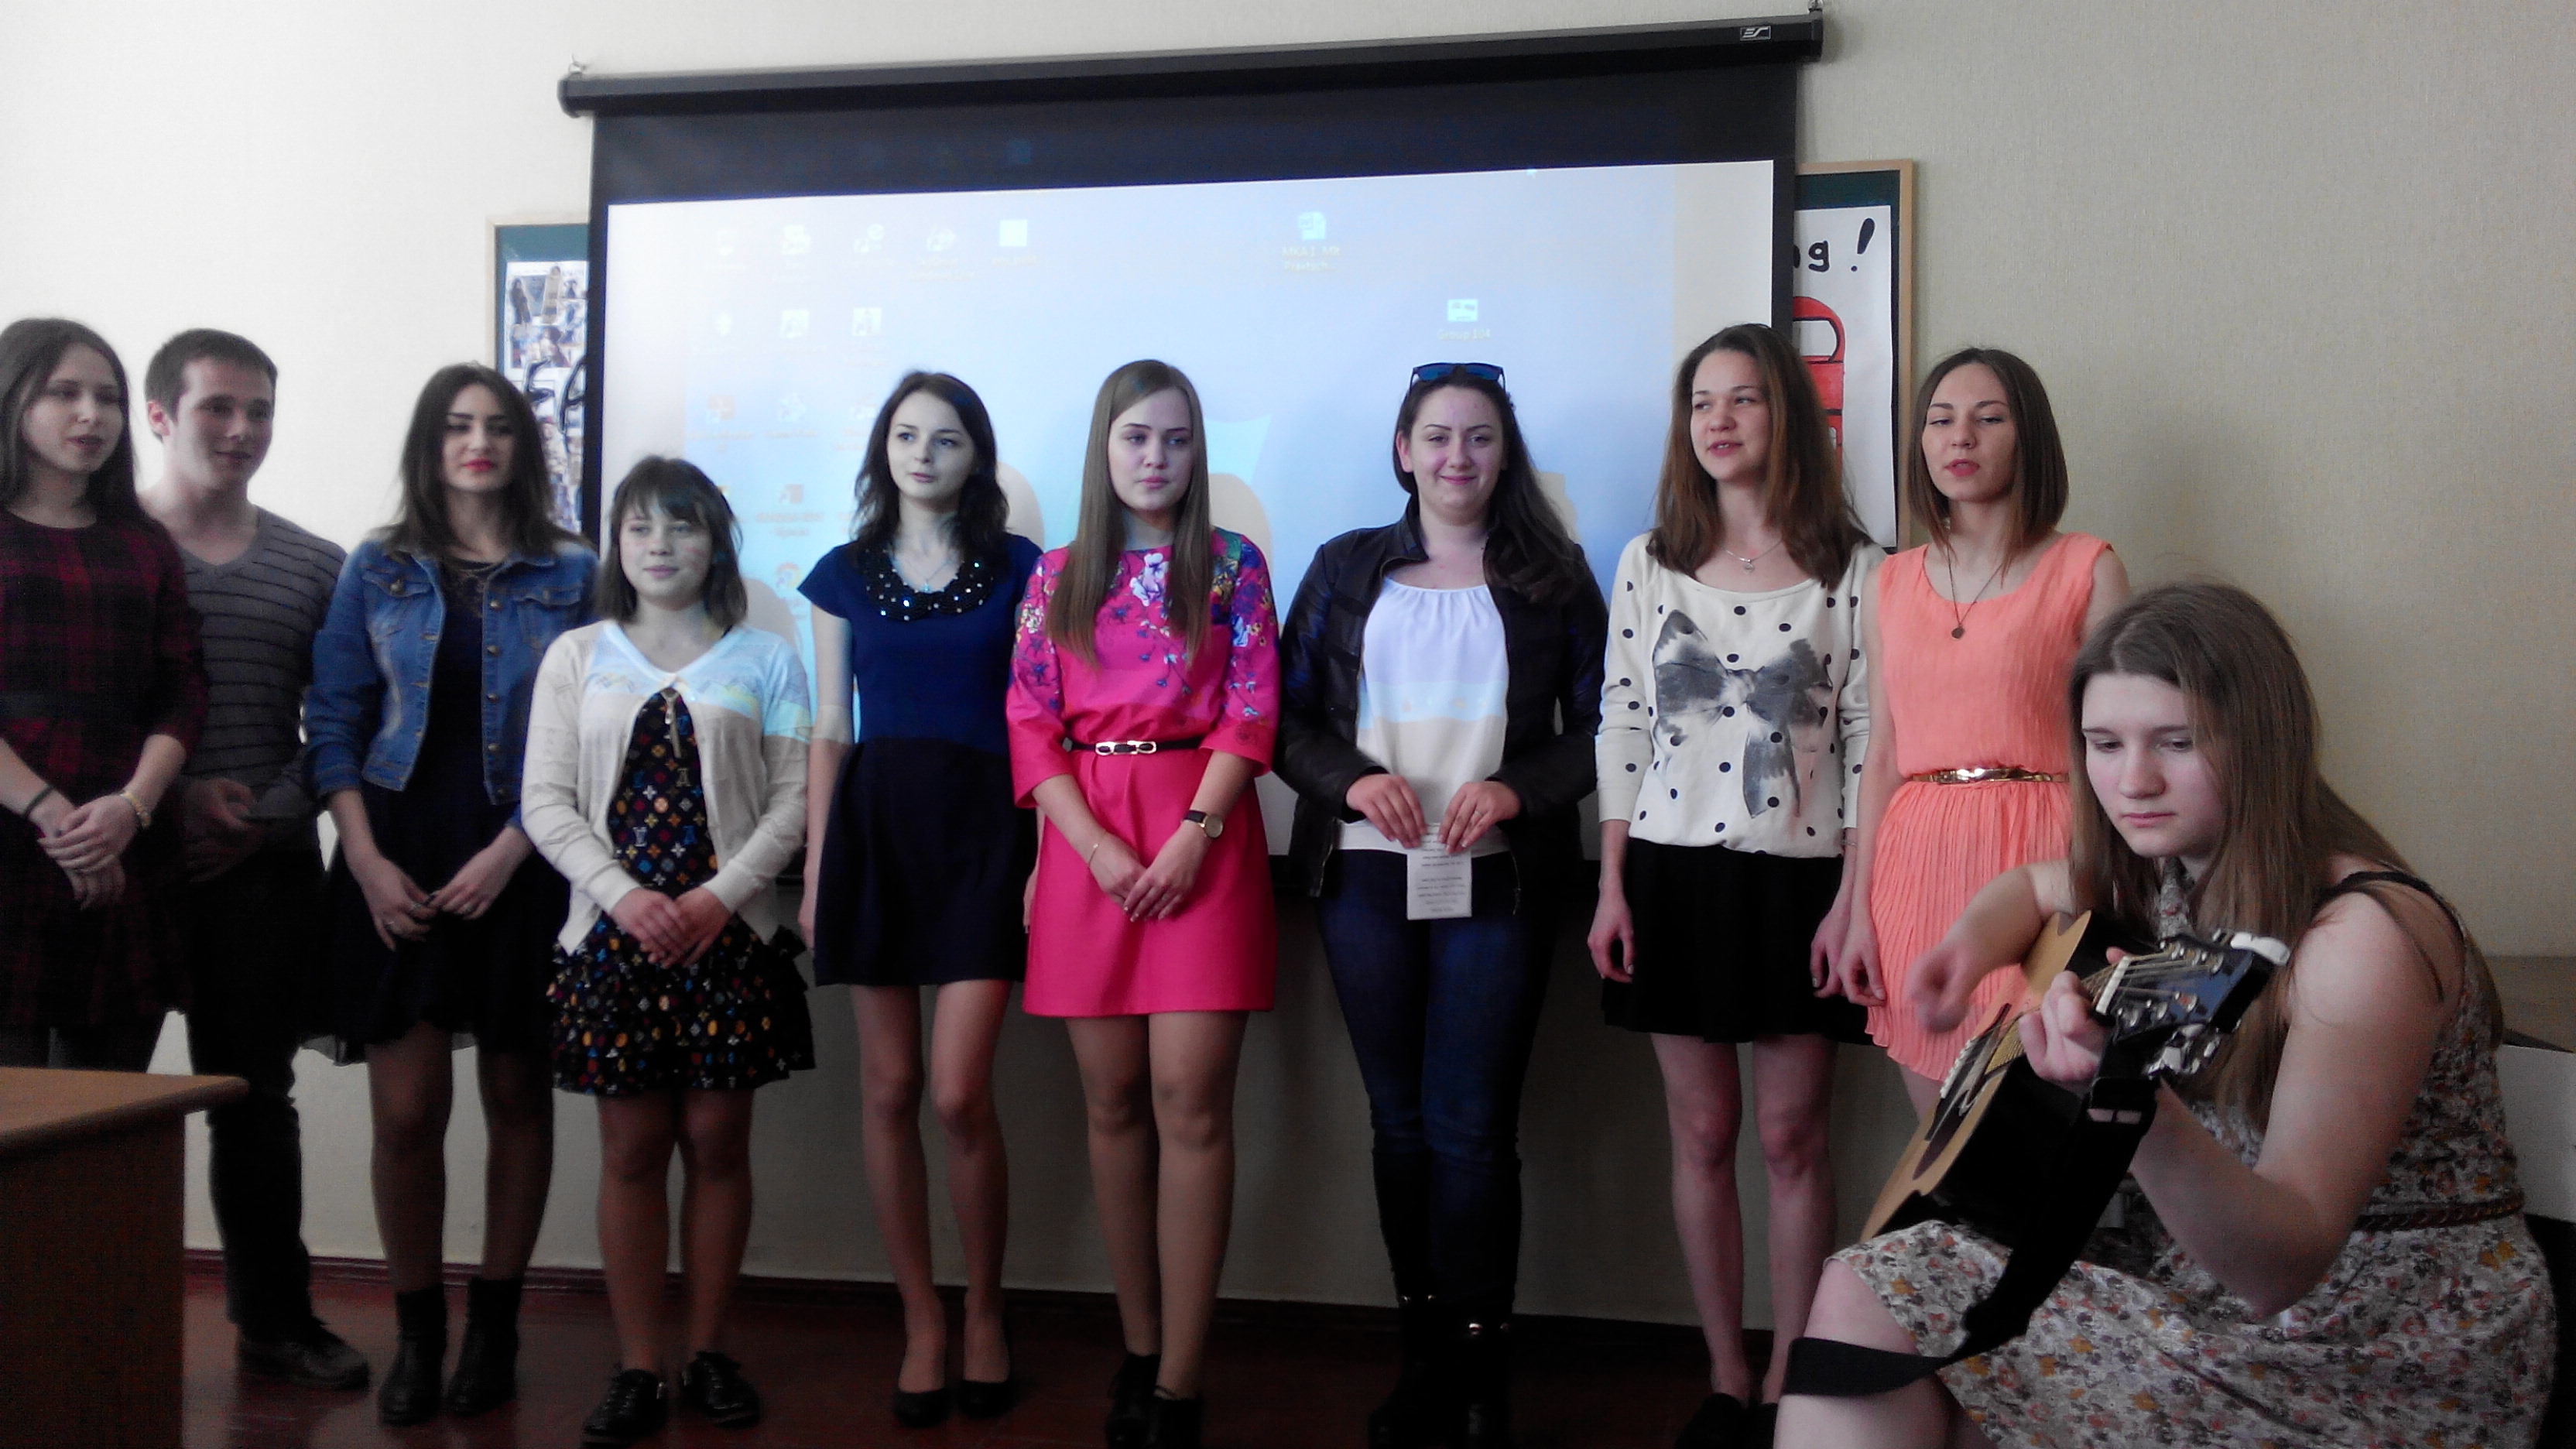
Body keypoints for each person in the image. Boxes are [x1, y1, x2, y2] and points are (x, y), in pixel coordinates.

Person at [1781, 581, 2555, 1449]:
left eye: (2177, 743)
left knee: (1883, 1301)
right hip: (2211, 1284)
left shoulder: (2360, 940)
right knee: (1899, 1323)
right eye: (2104, 744)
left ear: (2261, 742)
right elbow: (2033, 885)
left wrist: (2127, 1096)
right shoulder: (2177, 872)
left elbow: (2284, 1264)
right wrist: (1967, 948)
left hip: (2373, 1343)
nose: (2133, 781)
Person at [1276, 362, 1605, 1448]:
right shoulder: (1344, 566)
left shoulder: (1554, 575)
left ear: (1503, 455)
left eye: (1478, 437)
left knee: (1472, 1131)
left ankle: (1478, 1369)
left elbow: (1606, 725)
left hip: (1497, 879)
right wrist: (1347, 781)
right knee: (1400, 1125)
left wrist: (1516, 790)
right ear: (1403, 451)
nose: (1456, 456)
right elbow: (1283, 720)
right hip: (1365, 877)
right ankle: (1420, 1357)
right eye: (1436, 436)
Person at [1588, 324, 1879, 1449]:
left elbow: (1868, 741)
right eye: (1702, 402)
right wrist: (1612, 885)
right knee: (1703, 1134)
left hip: (1803, 884)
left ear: (1785, 414)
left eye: (1744, 399)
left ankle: (1792, 1379)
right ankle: (1724, 1376)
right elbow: (1623, 720)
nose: (1720, 420)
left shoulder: (1856, 567)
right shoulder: (1648, 560)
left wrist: (1854, 898)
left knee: (1793, 1140)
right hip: (1670, 875)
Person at [307, 362, 595, 1425]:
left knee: (518, 1098)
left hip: (526, 855)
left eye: (499, 427)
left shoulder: (575, 570)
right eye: (458, 426)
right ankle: (418, 1334)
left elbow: (595, 732)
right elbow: (334, 719)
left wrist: (516, 849)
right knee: (406, 1113)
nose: (479, 443)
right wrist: (365, 860)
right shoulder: (377, 565)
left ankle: (494, 1331)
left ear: (524, 446)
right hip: (398, 847)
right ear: (430, 444)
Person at [1006, 359, 1280, 1449]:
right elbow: (1030, 723)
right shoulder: (1056, 577)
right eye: (1135, 437)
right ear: (1105, 448)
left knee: (1189, 1102)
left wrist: (1191, 837)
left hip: (1201, 834)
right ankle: (1136, 1343)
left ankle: (1179, 1379)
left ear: (1197, 450)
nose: (1155, 457)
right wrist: (1087, 850)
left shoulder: (1233, 566)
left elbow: (1252, 711)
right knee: (1112, 1104)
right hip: (1088, 840)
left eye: (1175, 438)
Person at [522, 457, 814, 1445]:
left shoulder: (770, 659)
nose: (659, 545)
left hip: (728, 940)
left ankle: (709, 1352)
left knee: (719, 1146)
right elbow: (545, 801)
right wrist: (625, 898)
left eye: (682, 527)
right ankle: (640, 1365)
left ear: (715, 543)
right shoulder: (576, 658)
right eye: (640, 526)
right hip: (614, 939)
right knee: (633, 1152)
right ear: (617, 544)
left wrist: (718, 899)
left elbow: (794, 800)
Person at [798, 372, 1041, 1428]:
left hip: (987, 830)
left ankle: (985, 1309)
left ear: (976, 455)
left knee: (955, 1092)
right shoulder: (841, 573)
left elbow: (1041, 715)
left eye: (947, 438)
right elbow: (829, 729)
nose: (924, 454)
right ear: (882, 449)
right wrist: (817, 870)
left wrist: (1045, 855)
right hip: (875, 832)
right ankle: (922, 1321)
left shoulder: (1025, 568)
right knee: (890, 1089)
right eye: (906, 435)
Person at [135, 327, 368, 1389]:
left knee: (253, 1098)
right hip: (123, 866)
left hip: (264, 870)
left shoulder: (316, 565)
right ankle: (80, 1318)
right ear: (159, 416)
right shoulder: (107, 548)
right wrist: (168, 804)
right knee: (90, 1098)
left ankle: (276, 1320)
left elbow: (345, 722)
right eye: (217, 408)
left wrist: (264, 815)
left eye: (259, 410)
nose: (241, 429)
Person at [1831, 348, 2128, 1109]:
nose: (1959, 437)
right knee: (1942, 1140)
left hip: (2049, 860)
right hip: (1915, 870)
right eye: (1940, 421)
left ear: (2029, 438)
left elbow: (2122, 742)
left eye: (1987, 419)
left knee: (2054, 1112)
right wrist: (1857, 909)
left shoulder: (2087, 568)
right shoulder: (1890, 580)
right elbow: (1883, 756)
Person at [0, 318, 205, 1068]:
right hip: (12, 833)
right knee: (16, 1113)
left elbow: (182, 688)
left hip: (128, 834)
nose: (92, 415)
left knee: (112, 1106)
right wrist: (53, 816)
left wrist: (130, 808)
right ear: (13, 399)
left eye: (108, 398)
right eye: (65, 393)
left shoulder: (143, 540)